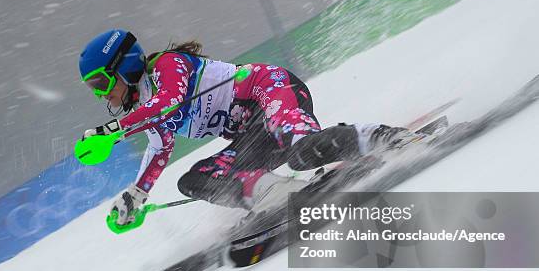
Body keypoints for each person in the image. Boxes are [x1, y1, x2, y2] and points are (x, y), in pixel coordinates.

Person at [79, 29, 419, 227]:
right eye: (92, 88)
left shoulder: (168, 66)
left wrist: (111, 130)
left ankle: (385, 138)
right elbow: (158, 148)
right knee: (194, 179)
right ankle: (278, 195)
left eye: (100, 81)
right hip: (252, 134)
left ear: (122, 65)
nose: (100, 93)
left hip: (270, 91)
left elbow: (169, 101)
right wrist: (136, 195)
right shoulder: (146, 106)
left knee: (301, 151)